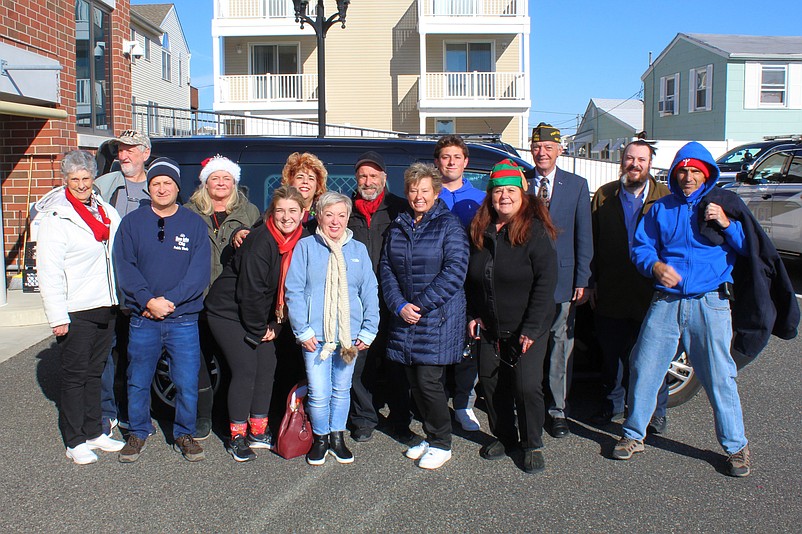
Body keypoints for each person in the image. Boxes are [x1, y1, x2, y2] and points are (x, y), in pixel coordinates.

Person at [612, 142, 752, 476]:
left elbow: (750, 248)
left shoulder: (722, 205)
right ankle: (633, 435)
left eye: (695, 172)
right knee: (644, 366)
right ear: (675, 174)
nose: (688, 177)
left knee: (720, 376)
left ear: (706, 175)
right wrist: (655, 266)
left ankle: (736, 447)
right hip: (667, 300)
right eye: (683, 171)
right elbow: (641, 248)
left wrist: (727, 225)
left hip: (711, 302)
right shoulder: (661, 209)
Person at [113, 157, 211, 463]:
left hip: (182, 318)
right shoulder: (132, 223)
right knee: (138, 378)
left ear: (177, 187)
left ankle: (184, 432)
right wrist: (147, 300)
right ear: (149, 187)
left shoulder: (193, 224)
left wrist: (169, 301)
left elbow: (198, 273)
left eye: (168, 183)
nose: (162, 188)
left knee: (185, 381)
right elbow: (124, 266)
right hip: (144, 318)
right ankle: (138, 432)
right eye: (156, 183)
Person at [466, 159, 557, 474]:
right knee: (491, 385)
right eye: (498, 190)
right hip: (490, 326)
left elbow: (546, 282)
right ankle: (505, 436)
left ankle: (532, 442)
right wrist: (474, 313)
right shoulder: (480, 230)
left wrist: (531, 328)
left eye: (510, 190)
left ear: (522, 194)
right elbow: (473, 279)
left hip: (527, 327)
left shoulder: (534, 231)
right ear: (490, 195)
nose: (504, 196)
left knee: (525, 386)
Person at [36, 150, 125, 464]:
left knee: (95, 372)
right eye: (74, 179)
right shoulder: (56, 216)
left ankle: (95, 431)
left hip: (106, 303)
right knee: (75, 376)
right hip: (77, 308)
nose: (81, 184)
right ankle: (75, 440)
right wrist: (57, 316)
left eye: (86, 178)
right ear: (65, 181)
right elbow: (48, 270)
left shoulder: (103, 209)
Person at [205, 186, 306, 462]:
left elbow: (292, 290)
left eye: (293, 211)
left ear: (302, 213)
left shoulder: (301, 240)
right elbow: (249, 292)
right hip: (228, 311)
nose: (286, 217)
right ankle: (236, 434)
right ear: (271, 213)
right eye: (280, 211)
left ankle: (258, 430)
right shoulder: (261, 240)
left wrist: (277, 325)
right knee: (246, 368)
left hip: (261, 314)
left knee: (267, 364)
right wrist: (260, 329)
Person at [380, 163, 469, 470]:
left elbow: (455, 271)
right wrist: (399, 305)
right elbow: (387, 268)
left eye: (425, 190)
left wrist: (418, 305)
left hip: (437, 318)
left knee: (429, 382)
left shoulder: (449, 225)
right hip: (405, 316)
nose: (418, 196)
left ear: (436, 191)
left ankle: (443, 443)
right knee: (413, 382)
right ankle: (431, 437)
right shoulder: (400, 224)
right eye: (413, 190)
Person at [285, 191, 379, 466]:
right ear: (319, 216)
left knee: (342, 389)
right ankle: (320, 437)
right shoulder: (306, 247)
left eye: (341, 215)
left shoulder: (358, 250)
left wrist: (369, 329)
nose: (335, 221)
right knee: (318, 391)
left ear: (348, 218)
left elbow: (369, 291)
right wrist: (302, 331)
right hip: (316, 337)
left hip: (348, 336)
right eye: (329, 215)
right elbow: (295, 291)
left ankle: (338, 437)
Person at [589, 140, 671, 433]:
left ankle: (656, 411)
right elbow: (591, 244)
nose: (634, 164)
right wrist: (592, 281)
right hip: (611, 289)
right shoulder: (604, 195)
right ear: (621, 161)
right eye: (629, 158)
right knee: (612, 356)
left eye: (641, 160)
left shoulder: (665, 197)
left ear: (650, 164)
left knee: (651, 356)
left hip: (650, 292)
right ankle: (613, 405)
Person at [186, 155, 261, 440]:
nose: (220, 183)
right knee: (201, 362)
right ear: (205, 182)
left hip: (233, 300)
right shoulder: (189, 212)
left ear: (234, 183)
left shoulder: (250, 212)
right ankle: (203, 415)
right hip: (198, 297)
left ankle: (230, 417)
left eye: (226, 178)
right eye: (215, 177)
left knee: (234, 362)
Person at [526, 122, 593, 438]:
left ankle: (557, 411)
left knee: (559, 347)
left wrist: (583, 277)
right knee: (526, 343)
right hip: (526, 281)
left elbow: (584, 235)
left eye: (548, 147)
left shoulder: (577, 185)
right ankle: (525, 403)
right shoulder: (519, 183)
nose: (542, 152)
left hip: (564, 281)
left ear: (559, 150)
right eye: (537, 147)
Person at [346, 151, 413, 444]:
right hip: (357, 303)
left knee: (396, 363)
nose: (368, 181)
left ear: (384, 178)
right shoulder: (345, 209)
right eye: (363, 175)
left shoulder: (400, 208)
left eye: (374, 176)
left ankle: (401, 420)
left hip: (392, 298)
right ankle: (364, 418)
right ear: (356, 178)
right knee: (361, 364)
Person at [94, 130, 152, 437]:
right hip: (106, 286)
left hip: (139, 290)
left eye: (130, 150)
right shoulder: (104, 186)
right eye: (120, 150)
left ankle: (134, 412)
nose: (123, 155)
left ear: (145, 153)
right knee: (106, 353)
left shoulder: (158, 189)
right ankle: (107, 412)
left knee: (136, 355)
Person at [433, 134, 485, 433]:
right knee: (436, 344)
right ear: (437, 161)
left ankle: (464, 403)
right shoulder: (429, 196)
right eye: (444, 157)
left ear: (465, 162)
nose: (450, 162)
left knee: (469, 344)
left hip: (468, 283)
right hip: (434, 282)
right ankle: (435, 402)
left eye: (456, 157)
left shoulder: (479, 199)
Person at [281, 152, 328, 223]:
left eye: (311, 178)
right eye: (300, 177)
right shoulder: (277, 213)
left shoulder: (325, 215)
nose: (305, 181)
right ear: (290, 181)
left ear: (317, 185)